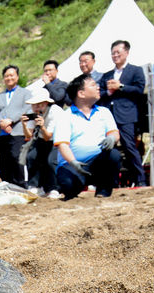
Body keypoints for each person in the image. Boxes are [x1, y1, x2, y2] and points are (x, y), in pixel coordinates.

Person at [54, 74, 120, 200]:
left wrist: (112, 138)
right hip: (73, 165)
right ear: (81, 93)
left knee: (114, 155)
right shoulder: (65, 116)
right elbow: (63, 145)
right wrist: (73, 162)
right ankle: (74, 186)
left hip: (97, 163)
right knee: (68, 186)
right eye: (93, 85)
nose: (98, 87)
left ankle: (103, 190)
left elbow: (114, 133)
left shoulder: (104, 112)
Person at [98, 40, 147, 187]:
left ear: (127, 52)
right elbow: (98, 93)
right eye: (113, 53)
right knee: (108, 148)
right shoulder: (107, 75)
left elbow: (139, 90)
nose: (115, 55)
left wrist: (121, 86)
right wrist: (108, 91)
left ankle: (140, 179)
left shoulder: (135, 70)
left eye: (118, 52)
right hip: (109, 116)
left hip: (126, 114)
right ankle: (110, 182)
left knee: (129, 147)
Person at [0, 65, 32, 187]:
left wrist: (11, 121)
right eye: (6, 76)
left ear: (17, 77)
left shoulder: (25, 93)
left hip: (17, 132)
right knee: (3, 161)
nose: (9, 78)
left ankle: (20, 185)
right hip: (1, 133)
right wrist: (1, 123)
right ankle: (7, 185)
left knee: (16, 158)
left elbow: (27, 108)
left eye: (11, 75)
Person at [21, 88, 64, 199]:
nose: (36, 108)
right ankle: (35, 186)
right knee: (31, 157)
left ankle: (54, 188)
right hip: (41, 139)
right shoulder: (33, 113)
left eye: (39, 105)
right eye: (34, 105)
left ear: (45, 103)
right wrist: (24, 125)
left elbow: (48, 135)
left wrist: (42, 126)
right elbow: (28, 135)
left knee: (51, 161)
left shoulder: (55, 111)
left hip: (57, 139)